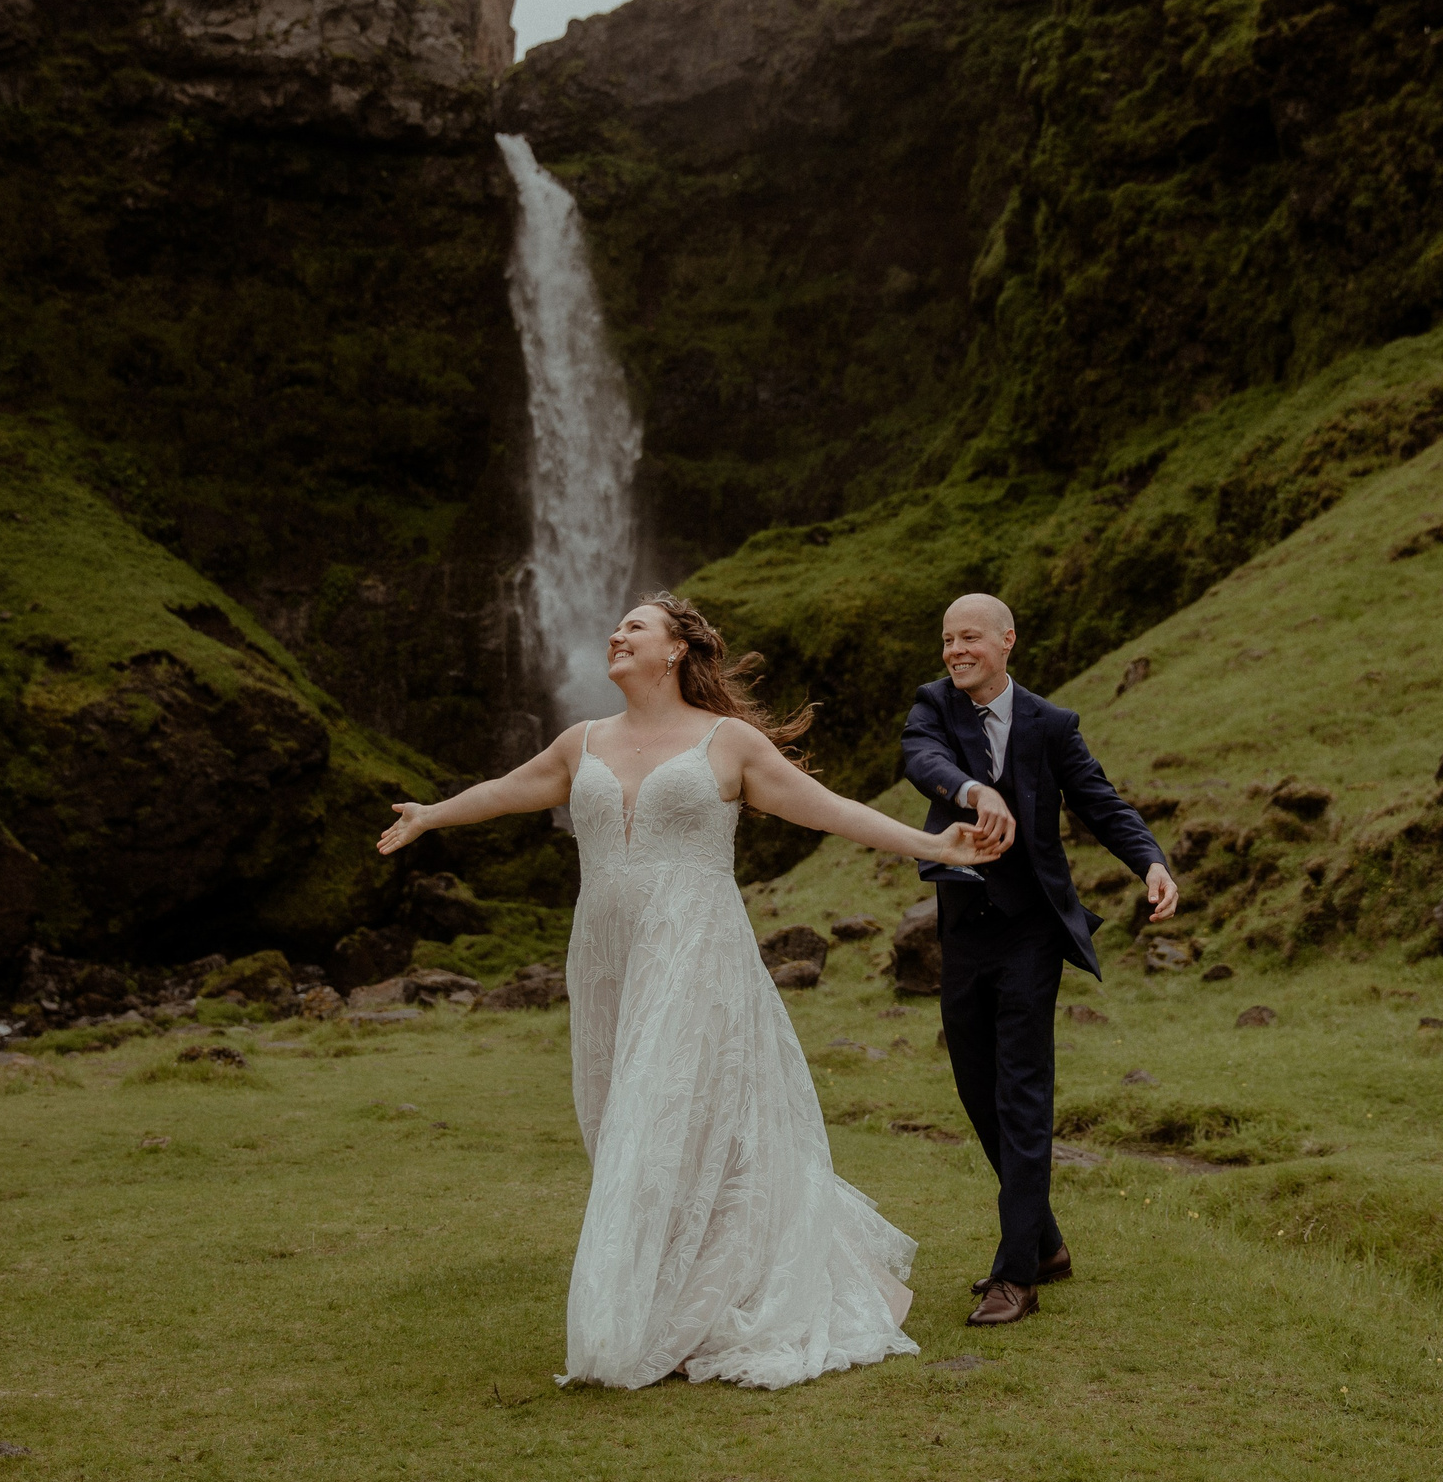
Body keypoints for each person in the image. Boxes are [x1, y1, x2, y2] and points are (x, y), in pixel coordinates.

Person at [376, 592, 995, 1389]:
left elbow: (825, 811)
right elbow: (506, 788)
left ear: (674, 651)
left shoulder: (726, 740)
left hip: (695, 950)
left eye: (634, 625)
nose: (616, 633)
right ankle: (667, 1288)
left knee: (666, 1117)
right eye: (616, 625)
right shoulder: (582, 741)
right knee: (615, 1116)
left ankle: (663, 1315)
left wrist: (928, 840)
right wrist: (430, 814)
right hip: (606, 955)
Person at [901, 592, 1176, 1327]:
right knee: (977, 1088)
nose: (955, 651)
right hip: (961, 931)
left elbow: (1100, 801)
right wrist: (968, 788)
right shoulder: (933, 705)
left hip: (1031, 935)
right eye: (946, 638)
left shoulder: (1053, 725)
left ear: (1007, 641)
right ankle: (1047, 1240)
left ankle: (1015, 1272)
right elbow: (917, 758)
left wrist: (1149, 861)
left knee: (1022, 1093)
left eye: (969, 638)